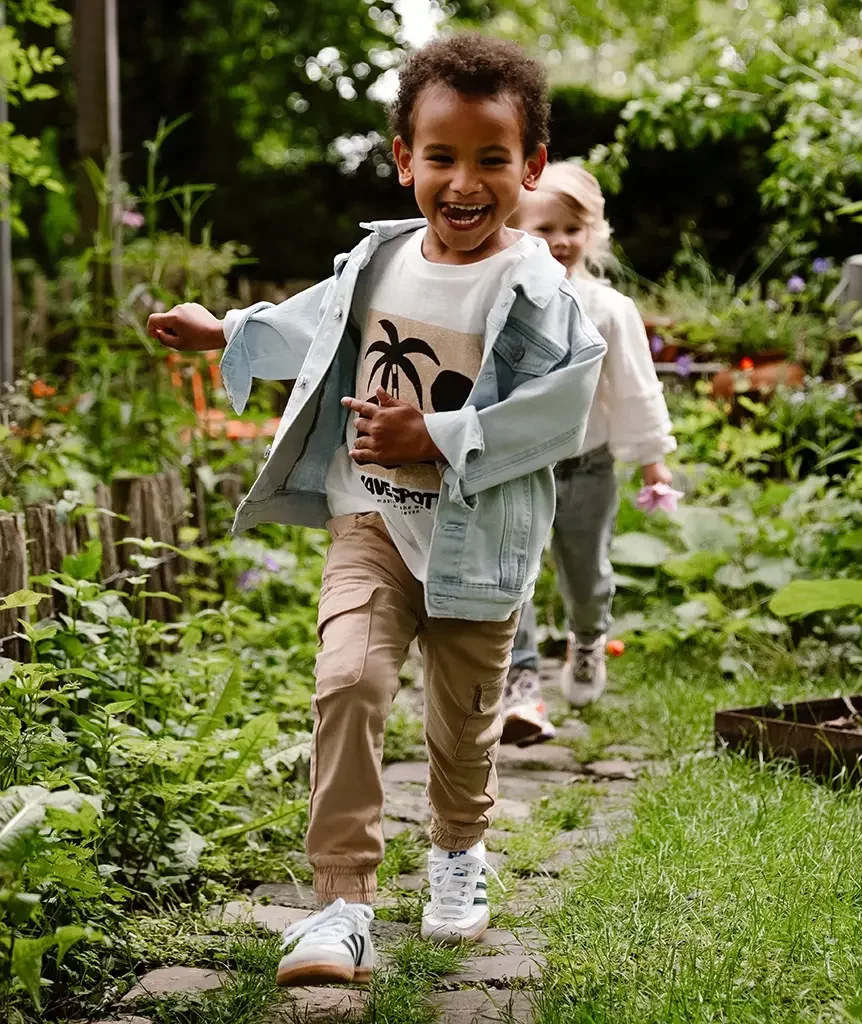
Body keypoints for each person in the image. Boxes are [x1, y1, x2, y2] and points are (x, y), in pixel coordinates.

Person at [146, 35, 605, 986]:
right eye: (440, 157)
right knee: (347, 681)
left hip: (479, 544)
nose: (464, 182)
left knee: (462, 724)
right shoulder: (379, 262)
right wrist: (224, 331)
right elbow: (309, 323)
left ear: (531, 165)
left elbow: (562, 411)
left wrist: (434, 436)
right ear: (404, 160)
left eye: (491, 159)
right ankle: (340, 902)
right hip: (373, 525)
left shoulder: (538, 290)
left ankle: (458, 853)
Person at [500, 162, 675, 745]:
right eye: (544, 229)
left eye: (572, 228)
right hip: (518, 465)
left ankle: (589, 637)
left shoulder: (608, 309)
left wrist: (653, 461)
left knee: (586, 575)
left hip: (587, 466)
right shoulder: (504, 298)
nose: (559, 241)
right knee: (511, 575)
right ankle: (520, 683)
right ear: (517, 231)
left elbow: (635, 387)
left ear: (592, 233)